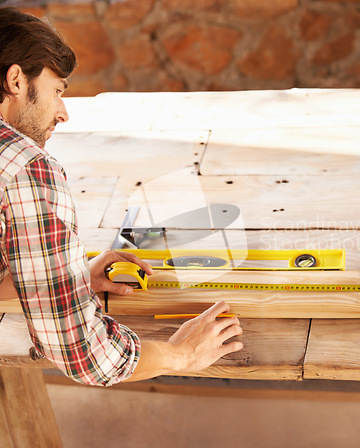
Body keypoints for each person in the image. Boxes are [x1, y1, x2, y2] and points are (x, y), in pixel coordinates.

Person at [0, 7, 243, 386]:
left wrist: (66, 278)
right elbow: (84, 353)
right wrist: (182, 353)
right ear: (16, 79)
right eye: (56, 91)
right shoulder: (25, 168)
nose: (62, 113)